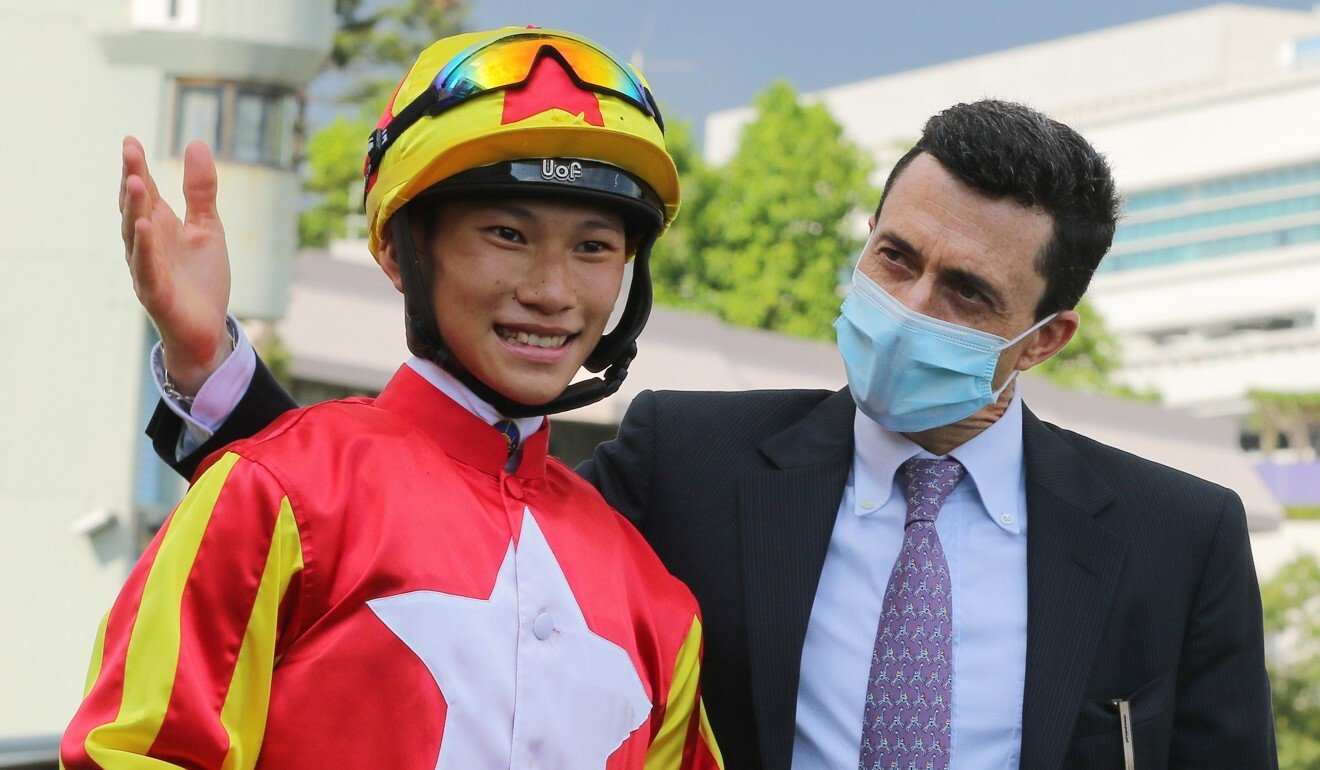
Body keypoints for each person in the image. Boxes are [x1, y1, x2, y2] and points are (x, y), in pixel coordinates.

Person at [134, 100, 1277, 770]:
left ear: (1047, 335)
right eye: (894, 259)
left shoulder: (1180, 538)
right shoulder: (690, 460)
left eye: (967, 293)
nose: (910, 308)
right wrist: (213, 374)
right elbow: (434, 517)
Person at [63, 27, 724, 770]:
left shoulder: (657, 601)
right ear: (396, 250)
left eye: (594, 248)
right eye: (507, 234)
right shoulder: (269, 491)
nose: (552, 291)